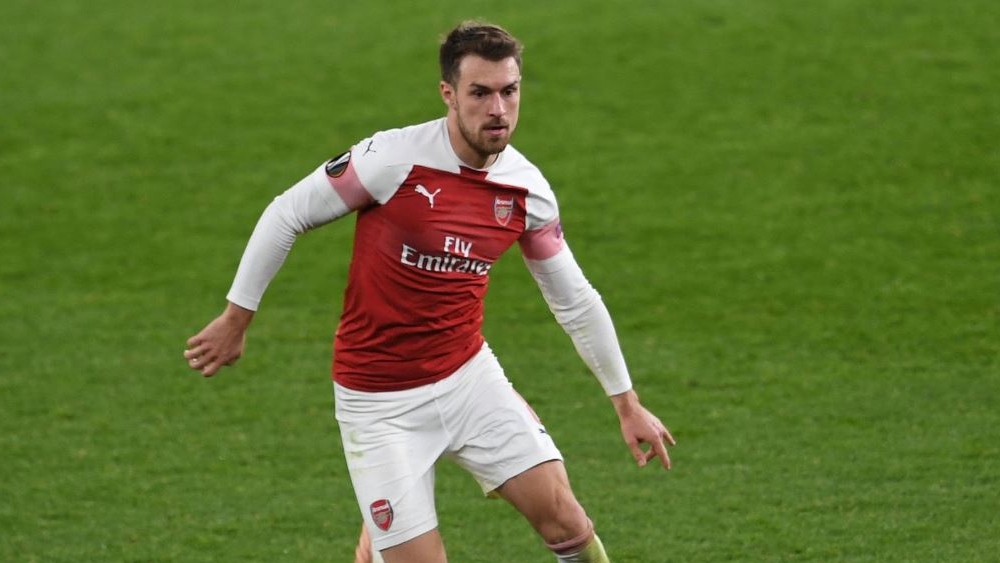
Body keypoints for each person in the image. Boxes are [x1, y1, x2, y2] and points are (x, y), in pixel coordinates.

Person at [184, 20, 675, 563]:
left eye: (509, 91)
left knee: (568, 522)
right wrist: (237, 318)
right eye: (480, 93)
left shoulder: (526, 190)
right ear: (449, 94)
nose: (498, 109)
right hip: (379, 403)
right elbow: (288, 213)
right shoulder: (392, 159)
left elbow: (574, 300)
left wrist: (626, 403)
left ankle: (382, 534)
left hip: (468, 379)